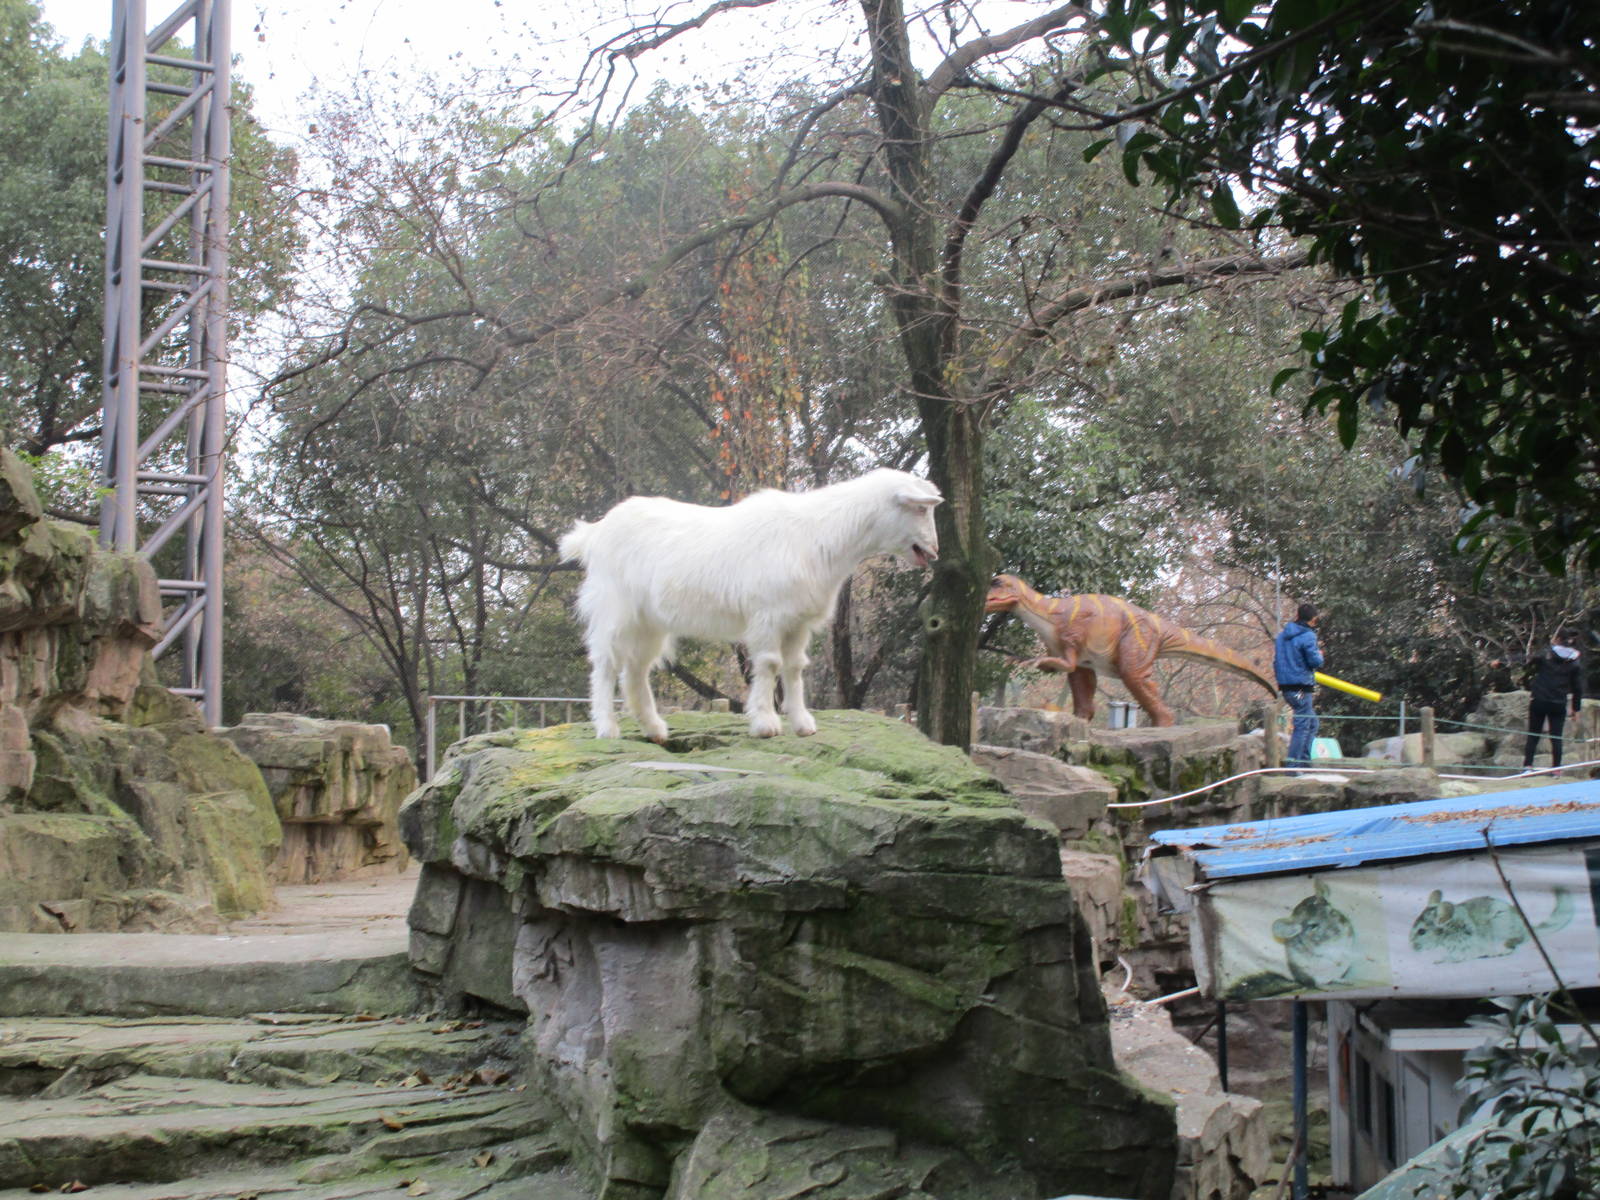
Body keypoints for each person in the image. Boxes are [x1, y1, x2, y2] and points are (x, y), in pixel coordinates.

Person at [1274, 602, 1325, 768]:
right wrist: (1320, 655)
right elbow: (1314, 661)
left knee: (1311, 723)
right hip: (1301, 688)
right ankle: (1294, 766)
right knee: (1303, 725)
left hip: (1287, 687)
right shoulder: (1308, 635)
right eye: (1315, 621)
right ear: (1312, 620)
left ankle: (1304, 761)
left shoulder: (1282, 636)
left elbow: (1278, 661)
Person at [1522, 634, 1584, 770]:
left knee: (1533, 734)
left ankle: (1528, 766)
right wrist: (1576, 709)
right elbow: (1577, 688)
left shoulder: (1545, 655)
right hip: (1558, 702)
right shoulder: (1574, 662)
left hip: (1540, 699)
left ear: (1557, 640)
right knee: (1556, 736)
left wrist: (1501, 662)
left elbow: (1526, 661)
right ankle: (1556, 769)